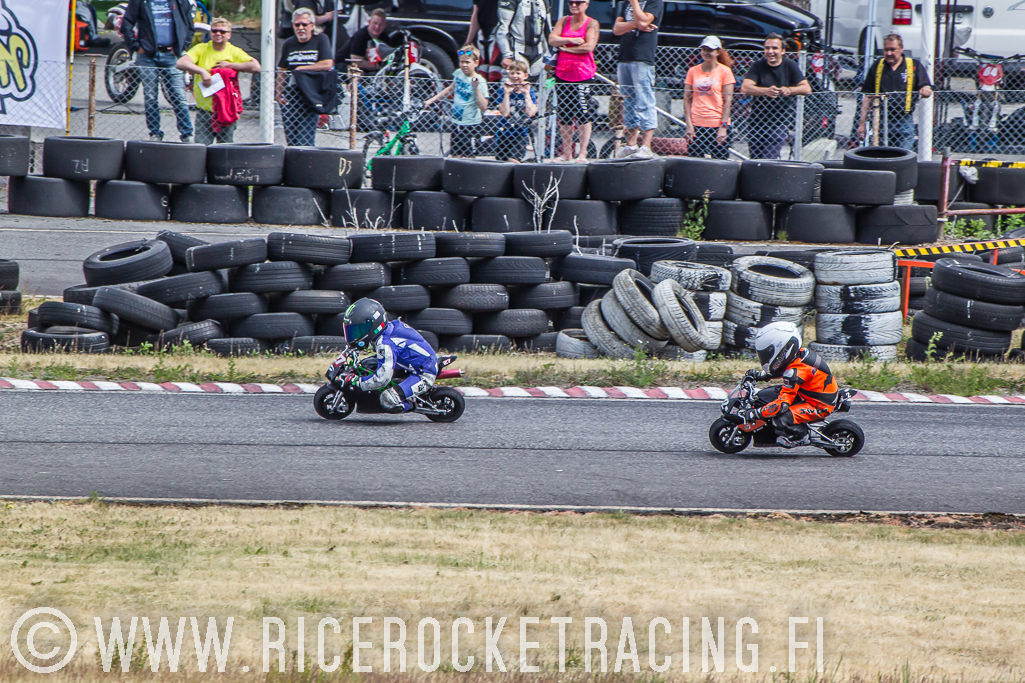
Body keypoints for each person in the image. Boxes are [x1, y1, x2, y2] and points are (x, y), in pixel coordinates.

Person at [743, 321, 839, 449]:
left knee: (780, 418)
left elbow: (781, 405)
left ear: (782, 350)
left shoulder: (794, 373)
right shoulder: (800, 355)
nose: (765, 357)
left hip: (818, 405)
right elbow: (780, 369)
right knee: (771, 394)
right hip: (812, 393)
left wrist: (756, 413)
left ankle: (800, 437)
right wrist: (761, 375)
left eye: (767, 354)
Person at [336, 298, 438, 414]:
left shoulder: (385, 345)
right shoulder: (387, 329)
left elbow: (382, 379)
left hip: (424, 372)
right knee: (367, 365)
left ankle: (410, 405)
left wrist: (358, 381)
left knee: (388, 399)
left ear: (372, 326)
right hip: (408, 363)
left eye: (358, 331)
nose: (354, 335)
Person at [176, 18, 261, 145]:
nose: (218, 34)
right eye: (214, 31)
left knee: (225, 149)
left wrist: (230, 65)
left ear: (229, 34)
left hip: (226, 110)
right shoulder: (201, 48)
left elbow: (256, 67)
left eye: (222, 31)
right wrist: (202, 72)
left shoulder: (234, 51)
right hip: (204, 110)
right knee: (201, 148)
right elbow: (180, 63)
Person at [119, 0, 195, 142]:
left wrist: (182, 46)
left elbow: (189, 25)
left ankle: (187, 134)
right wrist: (135, 46)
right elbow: (127, 23)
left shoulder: (180, 1)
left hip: (171, 55)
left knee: (178, 96)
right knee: (150, 96)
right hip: (147, 56)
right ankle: (155, 133)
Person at [740, 33, 811, 160]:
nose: (770, 51)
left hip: (779, 122)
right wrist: (765, 91)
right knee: (755, 160)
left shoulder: (790, 65)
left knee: (768, 159)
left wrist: (789, 90)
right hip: (757, 121)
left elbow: (806, 88)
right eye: (767, 48)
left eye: (774, 48)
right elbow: (745, 87)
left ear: (783, 51)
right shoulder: (758, 65)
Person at [858, 33, 933, 151]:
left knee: (904, 155)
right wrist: (862, 124)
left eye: (893, 50)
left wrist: (926, 90)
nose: (889, 53)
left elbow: (926, 87)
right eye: (886, 50)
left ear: (901, 48)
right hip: (881, 121)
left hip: (904, 120)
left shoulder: (913, 65)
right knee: (882, 155)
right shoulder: (877, 66)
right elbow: (868, 96)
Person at [548, 0, 597, 162]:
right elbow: (552, 39)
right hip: (563, 73)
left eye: (578, 2)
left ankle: (582, 152)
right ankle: (567, 153)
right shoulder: (564, 20)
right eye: (571, 2)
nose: (574, 5)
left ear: (586, 4)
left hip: (582, 74)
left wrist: (565, 48)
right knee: (565, 114)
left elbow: (588, 47)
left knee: (583, 113)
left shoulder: (591, 23)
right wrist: (571, 40)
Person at [613, 0, 663, 159]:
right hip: (625, 57)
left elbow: (644, 21)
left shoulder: (654, 2)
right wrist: (636, 24)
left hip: (642, 57)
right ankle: (631, 144)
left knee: (644, 101)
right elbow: (617, 29)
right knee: (628, 101)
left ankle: (646, 146)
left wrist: (634, 3)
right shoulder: (625, 3)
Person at [278, 7, 334, 146]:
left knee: (305, 140)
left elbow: (327, 63)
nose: (301, 28)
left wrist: (302, 69)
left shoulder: (321, 39)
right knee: (291, 139)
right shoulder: (289, 43)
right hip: (292, 94)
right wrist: (278, 93)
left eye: (304, 24)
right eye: (297, 25)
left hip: (311, 94)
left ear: (312, 25)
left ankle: (306, 158)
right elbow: (282, 69)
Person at [424, 45, 488, 157]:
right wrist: (431, 100)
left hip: (471, 125)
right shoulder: (458, 73)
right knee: (455, 155)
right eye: (461, 62)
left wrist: (476, 88)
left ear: (476, 63)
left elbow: (483, 106)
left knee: (469, 157)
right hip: (457, 122)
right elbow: (450, 89)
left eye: (467, 62)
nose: (464, 65)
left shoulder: (480, 81)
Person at [684, 36, 735, 160]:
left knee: (720, 162)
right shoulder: (692, 71)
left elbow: (728, 100)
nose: (706, 53)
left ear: (718, 52)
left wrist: (723, 127)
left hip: (716, 123)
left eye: (710, 50)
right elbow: (687, 99)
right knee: (694, 162)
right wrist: (689, 125)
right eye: (704, 49)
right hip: (697, 123)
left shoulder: (725, 71)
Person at [491, 59, 537, 161]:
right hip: (504, 131)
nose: (515, 76)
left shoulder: (530, 91)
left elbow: (531, 113)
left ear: (525, 75)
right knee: (501, 160)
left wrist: (526, 94)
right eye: (512, 73)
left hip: (520, 132)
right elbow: (505, 113)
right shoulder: (502, 90)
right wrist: (507, 94)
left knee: (513, 160)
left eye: (518, 73)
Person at [467, 0, 503, 81]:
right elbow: (475, 14)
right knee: (482, 70)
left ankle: (496, 89)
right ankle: (482, 88)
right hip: (482, 34)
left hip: (498, 33)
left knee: (495, 71)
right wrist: (468, 41)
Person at [347, 9, 388, 73]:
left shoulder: (384, 38)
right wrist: (379, 66)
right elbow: (355, 61)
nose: (377, 27)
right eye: (375, 23)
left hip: (371, 70)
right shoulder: (360, 36)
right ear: (369, 22)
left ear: (385, 25)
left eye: (380, 24)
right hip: (346, 65)